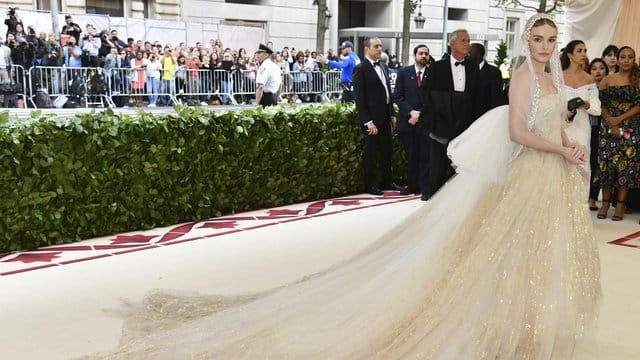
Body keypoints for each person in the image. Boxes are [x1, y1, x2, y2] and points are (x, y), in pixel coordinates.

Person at [94, 14, 601, 359]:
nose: (544, 47)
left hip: (551, 177)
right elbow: (517, 131)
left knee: (539, 251)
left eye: (551, 40)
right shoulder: (522, 79)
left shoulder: (557, 82)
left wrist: (570, 145)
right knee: (498, 248)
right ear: (525, 44)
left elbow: (552, 124)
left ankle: (526, 323)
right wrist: (560, 148)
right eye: (537, 39)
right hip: (531, 171)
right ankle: (503, 325)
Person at [420, 28, 480, 198]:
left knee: (462, 167)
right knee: (437, 167)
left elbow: (477, 96)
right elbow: (425, 92)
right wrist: (447, 101)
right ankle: (433, 200)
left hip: (465, 126)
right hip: (440, 125)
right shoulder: (437, 67)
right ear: (452, 44)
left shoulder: (473, 67)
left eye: (469, 40)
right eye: (464, 41)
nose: (468, 44)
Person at [353, 37, 404, 195]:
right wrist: (368, 122)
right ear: (367, 49)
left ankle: (387, 181)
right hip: (372, 120)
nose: (380, 49)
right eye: (376, 46)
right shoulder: (360, 68)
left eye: (381, 46)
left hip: (385, 117)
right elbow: (359, 98)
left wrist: (392, 115)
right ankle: (370, 185)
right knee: (371, 154)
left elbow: (387, 92)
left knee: (387, 152)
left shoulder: (383, 65)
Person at [596, 46, 640, 221]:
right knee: (606, 166)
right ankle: (605, 203)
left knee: (626, 167)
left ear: (634, 59)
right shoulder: (607, 79)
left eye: (630, 57)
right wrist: (610, 121)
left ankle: (620, 206)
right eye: (623, 56)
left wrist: (620, 119)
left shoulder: (637, 79)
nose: (626, 60)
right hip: (608, 127)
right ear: (618, 59)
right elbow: (600, 103)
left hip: (631, 128)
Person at [560, 40, 601, 192]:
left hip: (582, 128)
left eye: (585, 50)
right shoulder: (558, 77)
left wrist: (585, 104)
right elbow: (550, 105)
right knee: (560, 166)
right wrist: (565, 111)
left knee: (581, 165)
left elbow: (597, 110)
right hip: (561, 127)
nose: (584, 54)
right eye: (579, 51)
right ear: (570, 54)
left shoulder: (589, 79)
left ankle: (578, 207)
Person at [393, 44, 430, 199]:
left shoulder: (433, 73)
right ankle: (412, 185)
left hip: (425, 122)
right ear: (415, 55)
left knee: (425, 156)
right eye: (421, 53)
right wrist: (411, 112)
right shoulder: (403, 73)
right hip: (408, 123)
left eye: (426, 54)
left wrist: (420, 114)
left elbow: (435, 97)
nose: (423, 56)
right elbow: (398, 96)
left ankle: (424, 187)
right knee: (411, 155)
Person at [587, 58, 609, 210]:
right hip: (585, 128)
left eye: (601, 68)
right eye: (594, 69)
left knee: (597, 163)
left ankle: (593, 197)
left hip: (603, 130)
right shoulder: (586, 87)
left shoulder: (609, 88)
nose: (598, 71)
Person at [469, 42, 508, 116]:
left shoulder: (494, 73)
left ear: (479, 54)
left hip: (485, 117)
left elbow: (495, 99)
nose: (466, 55)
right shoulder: (465, 69)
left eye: (469, 52)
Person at [254, 43, 281, 107]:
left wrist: (257, 104)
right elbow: (280, 85)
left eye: (260, 53)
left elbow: (260, 86)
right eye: (257, 53)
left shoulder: (264, 67)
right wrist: (276, 98)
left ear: (266, 55)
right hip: (273, 98)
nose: (257, 55)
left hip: (265, 99)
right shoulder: (275, 66)